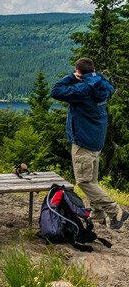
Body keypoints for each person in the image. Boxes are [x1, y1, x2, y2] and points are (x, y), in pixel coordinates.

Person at [50, 57, 128, 230]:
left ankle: (116, 211)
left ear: (78, 71)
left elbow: (55, 91)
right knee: (92, 179)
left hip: (83, 141)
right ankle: (97, 214)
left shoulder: (81, 90)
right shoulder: (103, 85)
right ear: (93, 70)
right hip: (96, 138)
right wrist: (91, 75)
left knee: (84, 181)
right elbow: (99, 78)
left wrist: (71, 77)